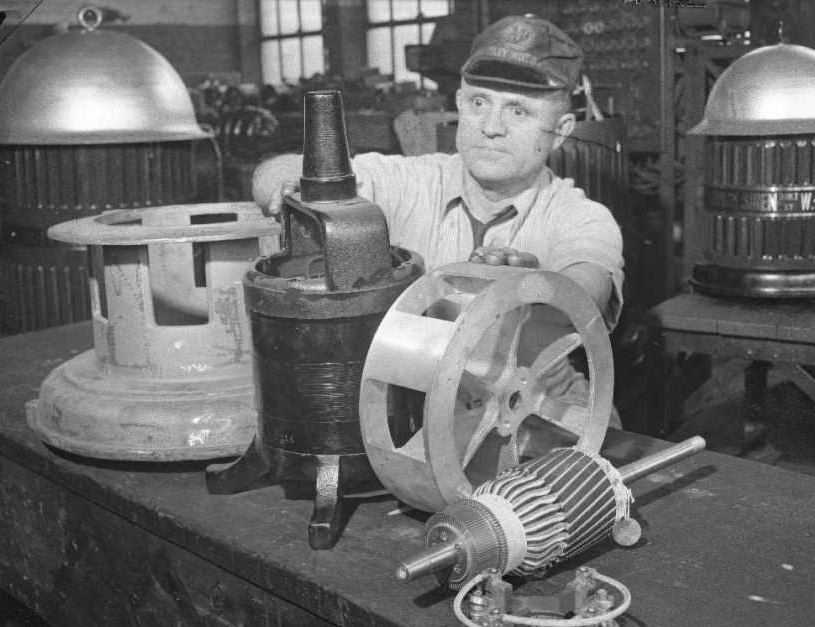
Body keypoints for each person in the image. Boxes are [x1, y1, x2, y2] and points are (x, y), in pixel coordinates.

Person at [252, 15, 624, 429]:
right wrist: (288, 183)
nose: (491, 127)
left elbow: (588, 288)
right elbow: (275, 174)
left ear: (560, 131)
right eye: (479, 102)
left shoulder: (582, 216)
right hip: (416, 408)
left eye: (518, 110)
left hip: (539, 410)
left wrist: (534, 288)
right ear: (459, 105)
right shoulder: (411, 181)